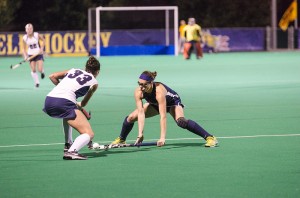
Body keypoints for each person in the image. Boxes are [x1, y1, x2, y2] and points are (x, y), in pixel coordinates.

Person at [111, 71, 218, 148]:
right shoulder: (138, 92)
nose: (141, 87)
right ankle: (121, 139)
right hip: (154, 104)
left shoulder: (159, 92)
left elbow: (163, 116)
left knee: (181, 121)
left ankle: (210, 137)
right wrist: (140, 134)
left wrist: (162, 138)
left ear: (151, 83)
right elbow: (141, 113)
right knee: (130, 118)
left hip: (172, 103)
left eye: (144, 85)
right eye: (139, 84)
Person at [43, 56, 101, 160]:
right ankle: (72, 152)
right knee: (89, 134)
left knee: (67, 114)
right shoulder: (94, 83)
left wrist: (63, 90)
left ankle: (68, 144)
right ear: (98, 72)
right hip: (64, 102)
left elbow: (52, 76)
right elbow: (83, 103)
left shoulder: (74, 70)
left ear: (85, 67)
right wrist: (76, 103)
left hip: (49, 100)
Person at [22, 23, 45, 88]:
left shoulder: (36, 35)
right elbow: (23, 49)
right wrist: (25, 56)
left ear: (32, 29)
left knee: (39, 69)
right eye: (28, 29)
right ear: (26, 30)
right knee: (33, 69)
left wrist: (41, 48)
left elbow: (43, 40)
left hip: (38, 53)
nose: (29, 30)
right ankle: (37, 82)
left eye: (30, 28)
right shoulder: (24, 38)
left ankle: (42, 71)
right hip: (30, 54)